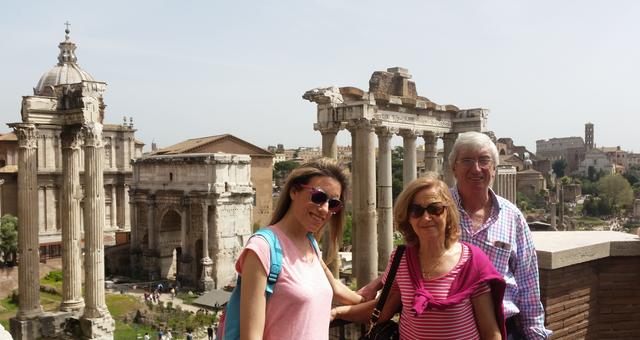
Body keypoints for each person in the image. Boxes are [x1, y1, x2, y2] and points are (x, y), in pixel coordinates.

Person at [333, 177, 506, 339]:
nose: (426, 217)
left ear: (448, 212)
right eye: (416, 211)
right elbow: (383, 309)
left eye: (435, 209)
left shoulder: (472, 260)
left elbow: (490, 331)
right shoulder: (400, 259)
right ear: (408, 218)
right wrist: (337, 312)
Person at [237, 158, 363, 340]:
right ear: (294, 191)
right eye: (319, 197)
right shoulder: (262, 248)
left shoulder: (310, 244)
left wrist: (382, 299)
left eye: (333, 204)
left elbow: (333, 286)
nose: (325, 209)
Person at [448, 131, 551, 339]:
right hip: (448, 327)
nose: (476, 168)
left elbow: (527, 281)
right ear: (454, 169)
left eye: (484, 161)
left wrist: (535, 334)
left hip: (504, 327)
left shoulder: (512, 216)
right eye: (467, 160)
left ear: (494, 169)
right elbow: (411, 260)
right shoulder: (435, 210)